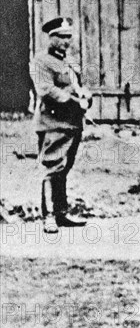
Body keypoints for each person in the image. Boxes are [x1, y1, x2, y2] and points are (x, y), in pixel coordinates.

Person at [30, 17, 91, 234]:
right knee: (52, 167)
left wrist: (85, 95)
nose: (66, 41)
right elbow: (46, 90)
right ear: (51, 37)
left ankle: (61, 213)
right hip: (53, 123)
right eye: (62, 37)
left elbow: (77, 87)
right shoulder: (41, 61)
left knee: (64, 169)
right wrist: (75, 101)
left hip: (72, 124)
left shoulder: (70, 61)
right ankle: (48, 217)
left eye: (69, 37)